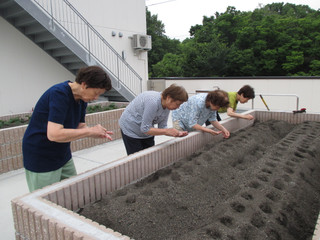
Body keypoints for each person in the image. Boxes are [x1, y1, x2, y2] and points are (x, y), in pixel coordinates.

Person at [23, 66, 113, 192]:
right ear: (84, 85)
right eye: (96, 93)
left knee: (72, 191)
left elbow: (80, 126)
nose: (96, 98)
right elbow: (54, 134)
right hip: (41, 155)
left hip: (62, 153)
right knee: (46, 199)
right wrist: (89, 131)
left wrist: (94, 132)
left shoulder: (82, 99)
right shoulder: (59, 94)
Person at [119, 84, 189, 155]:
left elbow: (162, 127)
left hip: (145, 131)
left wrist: (176, 133)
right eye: (177, 104)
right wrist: (167, 131)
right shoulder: (153, 102)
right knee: (137, 159)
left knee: (149, 155)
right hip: (131, 128)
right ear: (168, 98)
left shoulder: (166, 106)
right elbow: (145, 129)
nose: (178, 107)